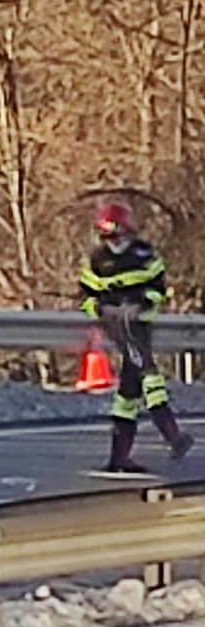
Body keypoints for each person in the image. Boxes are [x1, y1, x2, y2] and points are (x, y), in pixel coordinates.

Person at [78, 200, 194, 471]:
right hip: (118, 325)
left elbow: (158, 288)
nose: (113, 242)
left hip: (139, 322)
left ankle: (119, 458)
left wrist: (141, 303)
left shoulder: (144, 255)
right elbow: (85, 296)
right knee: (148, 373)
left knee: (128, 393)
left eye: (116, 234)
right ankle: (173, 436)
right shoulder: (96, 261)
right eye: (107, 236)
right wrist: (100, 308)